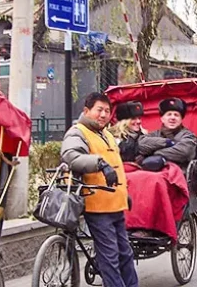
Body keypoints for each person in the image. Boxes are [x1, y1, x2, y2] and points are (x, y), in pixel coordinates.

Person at [61, 93, 138, 287]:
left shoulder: (106, 134)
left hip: (115, 203)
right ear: (86, 111)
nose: (103, 115)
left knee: (125, 254)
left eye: (106, 111)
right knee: (110, 257)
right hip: (97, 205)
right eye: (99, 110)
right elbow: (71, 156)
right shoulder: (77, 132)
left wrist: (124, 194)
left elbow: (116, 167)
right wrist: (99, 163)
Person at [146, 98, 197, 171]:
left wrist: (154, 153)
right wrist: (167, 143)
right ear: (162, 118)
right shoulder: (154, 134)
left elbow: (183, 152)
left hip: (178, 174)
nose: (172, 118)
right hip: (154, 173)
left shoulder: (188, 136)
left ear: (181, 119)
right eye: (169, 114)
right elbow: (142, 145)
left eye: (176, 115)